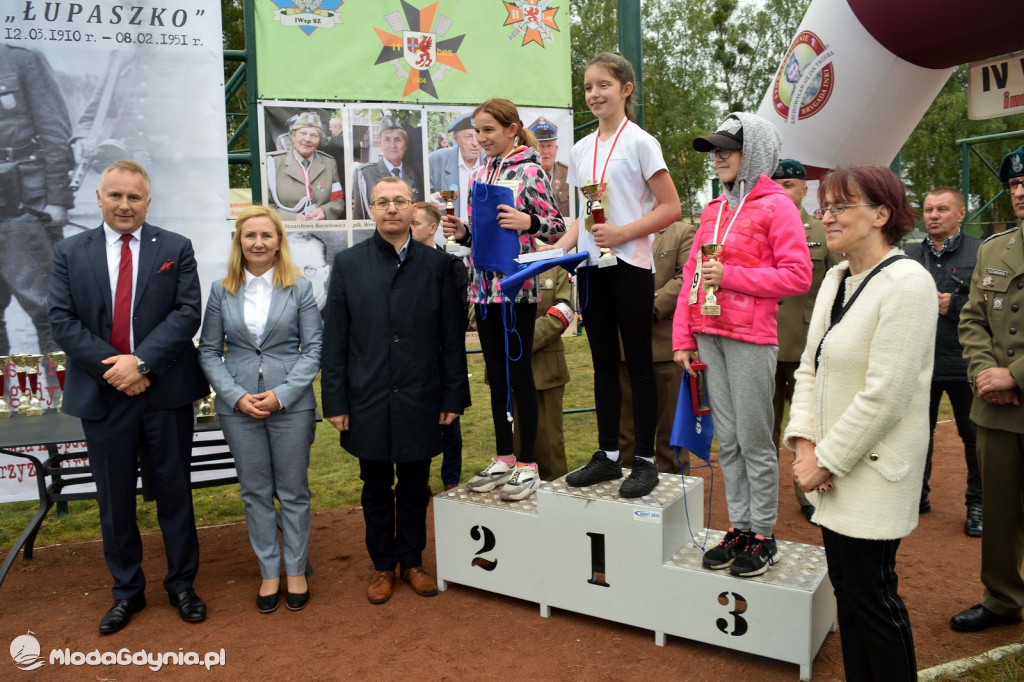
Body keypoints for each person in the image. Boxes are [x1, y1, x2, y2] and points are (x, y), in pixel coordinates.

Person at [786, 163, 936, 680]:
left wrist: (824, 460)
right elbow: (810, 367)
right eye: (823, 207)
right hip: (830, 471)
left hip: (869, 471)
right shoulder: (835, 279)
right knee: (847, 595)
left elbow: (887, 396)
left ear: (881, 214)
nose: (826, 216)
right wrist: (806, 447)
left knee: (873, 598)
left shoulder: (908, 283)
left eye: (839, 206)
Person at [47, 160, 210, 634]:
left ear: (148, 201)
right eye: (115, 196)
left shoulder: (174, 248)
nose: (124, 205)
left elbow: (186, 314)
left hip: (166, 392)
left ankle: (182, 585)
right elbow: (63, 321)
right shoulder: (69, 252)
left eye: (134, 197)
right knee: (115, 501)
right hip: (104, 396)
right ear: (98, 198)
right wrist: (117, 370)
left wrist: (140, 363)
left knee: (175, 494)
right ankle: (127, 592)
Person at [673, 113, 811, 578]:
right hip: (710, 336)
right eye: (715, 151)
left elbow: (798, 276)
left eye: (727, 150)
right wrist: (683, 337)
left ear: (753, 153)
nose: (718, 158)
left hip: (752, 337)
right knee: (727, 440)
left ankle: (764, 535)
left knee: (754, 440)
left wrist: (731, 276)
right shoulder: (713, 211)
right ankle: (740, 528)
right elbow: (692, 276)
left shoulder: (777, 206)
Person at [322, 177, 467, 605]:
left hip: (422, 395)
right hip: (367, 396)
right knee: (375, 485)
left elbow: (451, 338)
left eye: (399, 201)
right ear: (371, 210)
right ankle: (383, 566)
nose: (391, 209)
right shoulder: (348, 263)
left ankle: (414, 562)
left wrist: (452, 396)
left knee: (416, 484)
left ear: (412, 209)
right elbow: (336, 339)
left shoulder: (437, 265)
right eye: (382, 202)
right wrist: (336, 401)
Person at [547, 52, 682, 499]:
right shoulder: (580, 150)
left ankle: (644, 459)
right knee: (603, 365)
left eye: (603, 85)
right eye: (588, 87)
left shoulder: (642, 142)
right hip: (591, 269)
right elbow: (580, 219)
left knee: (638, 363)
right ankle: (608, 456)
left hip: (630, 266)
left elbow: (671, 207)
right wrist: (554, 250)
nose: (594, 94)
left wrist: (623, 231)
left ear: (626, 89)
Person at [198, 206, 322, 614]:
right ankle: (270, 571)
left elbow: (314, 348)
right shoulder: (221, 290)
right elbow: (210, 351)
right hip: (240, 407)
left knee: (293, 491)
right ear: (239, 241)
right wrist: (234, 396)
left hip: (291, 404)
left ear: (278, 241)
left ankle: (296, 568)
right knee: (254, 492)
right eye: (250, 235)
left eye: (266, 235)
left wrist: (283, 393)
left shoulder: (299, 288)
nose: (258, 243)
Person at [442, 98, 565, 501]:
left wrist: (527, 221)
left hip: (517, 289)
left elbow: (554, 226)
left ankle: (528, 463)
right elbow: (482, 234)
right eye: (477, 131)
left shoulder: (530, 169)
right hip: (483, 289)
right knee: (496, 376)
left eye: (489, 130)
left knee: (518, 375)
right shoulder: (482, 169)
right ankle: (504, 457)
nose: (481, 138)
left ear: (513, 129)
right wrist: (462, 232)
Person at [950, 145, 1024, 633]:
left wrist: (1015, 375)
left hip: (1011, 387)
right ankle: (1002, 598)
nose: (1020, 192)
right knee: (998, 509)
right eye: (1015, 185)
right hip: (996, 407)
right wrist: (984, 374)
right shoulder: (995, 248)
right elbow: (973, 318)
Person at [905, 186, 982, 536]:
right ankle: (915, 496)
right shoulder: (908, 255)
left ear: (961, 214)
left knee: (973, 437)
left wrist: (953, 305)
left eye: (942, 209)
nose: (934, 215)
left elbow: (992, 309)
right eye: (929, 209)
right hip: (921, 363)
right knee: (917, 434)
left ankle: (978, 504)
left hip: (967, 363)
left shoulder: (981, 252)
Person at [771, 159, 843, 523]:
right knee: (764, 427)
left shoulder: (822, 230)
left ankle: (808, 495)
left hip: (805, 347)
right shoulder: (761, 227)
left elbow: (838, 285)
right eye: (778, 183)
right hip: (765, 342)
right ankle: (762, 495)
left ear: (803, 190)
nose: (785, 190)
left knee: (806, 427)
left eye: (791, 184)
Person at [0, 42, 74, 355]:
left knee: (45, 305)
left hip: (26, 200)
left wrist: (56, 199)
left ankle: (62, 398)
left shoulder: (21, 61)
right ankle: (5, 400)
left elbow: (55, 132)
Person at [619, 220, 695, 475]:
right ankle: (627, 491)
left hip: (664, 345)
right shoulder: (618, 228)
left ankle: (675, 495)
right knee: (626, 434)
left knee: (670, 433)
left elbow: (687, 276)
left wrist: (648, 304)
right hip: (624, 346)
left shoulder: (681, 231)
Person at [412, 201, 470, 490]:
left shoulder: (452, 265)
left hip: (444, 359)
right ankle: (416, 482)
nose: (408, 229)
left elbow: (459, 316)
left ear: (433, 228)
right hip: (409, 361)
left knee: (450, 424)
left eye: (415, 224)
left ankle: (451, 482)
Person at [514, 266, 574, 480]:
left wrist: (520, 340)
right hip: (506, 371)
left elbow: (564, 309)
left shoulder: (554, 264)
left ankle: (556, 509)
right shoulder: (491, 262)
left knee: (549, 453)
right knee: (512, 452)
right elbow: (477, 309)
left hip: (545, 369)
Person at [266, 112, 344, 222]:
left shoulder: (329, 163)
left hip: (320, 231)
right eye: (302, 133)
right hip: (285, 232)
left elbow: (338, 201)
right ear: (293, 136)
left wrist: (324, 211)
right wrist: (292, 218)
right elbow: (265, 205)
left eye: (314, 135)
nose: (307, 139)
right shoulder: (273, 163)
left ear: (319, 140)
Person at [352, 116, 423, 220]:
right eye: (387, 140)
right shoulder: (364, 174)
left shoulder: (415, 173)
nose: (392, 145)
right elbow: (358, 218)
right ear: (379, 144)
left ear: (405, 146)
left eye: (398, 140)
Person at [428, 112, 485, 222]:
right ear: (456, 139)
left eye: (478, 135)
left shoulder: (493, 162)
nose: (475, 143)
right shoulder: (435, 160)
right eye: (468, 136)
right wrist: (429, 199)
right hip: (447, 232)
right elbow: (422, 195)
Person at [529, 117, 571, 219]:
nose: (546, 151)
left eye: (550, 146)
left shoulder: (568, 174)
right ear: (532, 148)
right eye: (541, 146)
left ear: (556, 149)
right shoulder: (525, 174)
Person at [288, 232, 331, 313]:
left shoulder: (341, 310)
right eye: (292, 270)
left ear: (325, 273)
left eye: (310, 269)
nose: (300, 278)